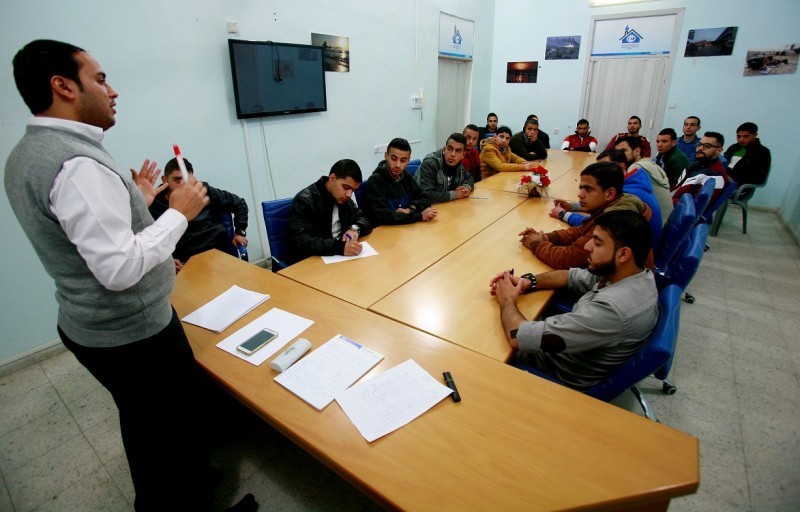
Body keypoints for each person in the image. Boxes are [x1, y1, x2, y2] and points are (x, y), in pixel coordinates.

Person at [4, 40, 257, 512]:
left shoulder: (28, 153)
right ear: (63, 86)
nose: (113, 90)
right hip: (131, 333)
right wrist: (178, 214)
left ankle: (191, 485)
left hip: (92, 323)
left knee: (150, 426)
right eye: (100, 79)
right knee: (167, 431)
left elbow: (84, 237)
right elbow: (118, 268)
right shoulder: (76, 165)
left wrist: (137, 202)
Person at [490, 210, 658, 391]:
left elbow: (519, 336)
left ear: (623, 254)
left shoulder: (612, 310)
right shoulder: (633, 274)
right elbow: (571, 276)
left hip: (551, 373)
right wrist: (528, 281)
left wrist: (506, 298)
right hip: (571, 346)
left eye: (597, 243)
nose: (587, 246)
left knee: (480, 341)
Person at [518, 162, 653, 270]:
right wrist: (547, 237)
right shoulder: (619, 203)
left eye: (588, 189)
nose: (580, 194)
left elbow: (567, 259)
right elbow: (581, 230)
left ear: (610, 194)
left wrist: (536, 244)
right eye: (581, 188)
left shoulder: (614, 222)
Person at [149, 157, 249, 272]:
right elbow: (149, 241)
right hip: (185, 263)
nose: (183, 185)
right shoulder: (154, 203)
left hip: (220, 254)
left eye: (187, 180)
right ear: (165, 179)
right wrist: (166, 260)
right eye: (177, 180)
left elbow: (239, 203)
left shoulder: (202, 190)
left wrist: (240, 232)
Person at [551, 149, 663, 243]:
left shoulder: (629, 194)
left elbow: (596, 225)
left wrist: (564, 214)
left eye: (606, 166)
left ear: (621, 167)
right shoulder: (634, 180)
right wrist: (572, 206)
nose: (600, 172)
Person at [287, 159, 373, 265]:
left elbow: (364, 219)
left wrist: (355, 228)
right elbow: (300, 241)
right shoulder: (305, 200)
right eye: (346, 187)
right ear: (332, 179)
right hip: (314, 261)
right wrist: (339, 248)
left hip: (339, 258)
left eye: (353, 190)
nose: (349, 194)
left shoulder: (344, 198)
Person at [361, 137, 437, 225]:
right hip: (385, 229)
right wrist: (419, 216)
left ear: (408, 160)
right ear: (386, 156)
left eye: (403, 160)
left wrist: (410, 209)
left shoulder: (406, 176)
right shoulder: (375, 181)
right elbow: (384, 216)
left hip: (405, 227)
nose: (398, 165)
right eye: (394, 159)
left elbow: (425, 198)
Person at [614, 136, 673, 220]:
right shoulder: (648, 163)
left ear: (637, 151)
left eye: (623, 151)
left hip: (658, 223)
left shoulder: (636, 168)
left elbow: (622, 194)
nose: (619, 155)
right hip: (666, 219)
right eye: (617, 152)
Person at [672, 131, 731, 205]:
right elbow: (677, 187)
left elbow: (693, 206)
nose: (700, 148)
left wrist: (667, 201)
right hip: (672, 200)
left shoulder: (715, 176)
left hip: (676, 208)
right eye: (699, 144)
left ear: (719, 150)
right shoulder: (696, 165)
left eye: (707, 146)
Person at [414, 133, 474, 202]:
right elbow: (426, 194)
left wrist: (466, 187)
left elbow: (469, 178)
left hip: (444, 205)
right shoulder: (430, 164)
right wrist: (455, 194)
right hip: (422, 205)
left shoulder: (458, 165)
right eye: (449, 149)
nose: (453, 154)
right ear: (444, 150)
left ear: (463, 155)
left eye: (458, 151)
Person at [723, 122, 772, 186]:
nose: (741, 139)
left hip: (739, 185)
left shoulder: (762, 152)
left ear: (755, 135)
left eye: (745, 136)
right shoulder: (733, 148)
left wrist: (733, 179)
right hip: (722, 179)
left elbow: (759, 178)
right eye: (739, 136)